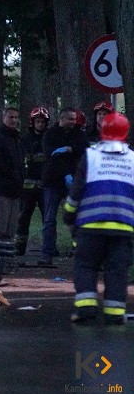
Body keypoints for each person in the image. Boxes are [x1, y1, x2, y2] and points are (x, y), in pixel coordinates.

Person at [63, 112, 133, 325]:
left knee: (85, 266)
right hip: (123, 227)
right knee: (117, 270)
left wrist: (68, 214)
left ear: (103, 131)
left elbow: (77, 191)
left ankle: (86, 310)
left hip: (90, 225)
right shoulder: (132, 159)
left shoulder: (91, 156)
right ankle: (114, 313)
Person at [39, 107, 89, 265]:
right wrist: (65, 172)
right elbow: (51, 155)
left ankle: (79, 250)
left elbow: (84, 150)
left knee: (76, 216)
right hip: (53, 181)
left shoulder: (78, 134)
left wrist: (69, 149)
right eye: (71, 119)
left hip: (72, 182)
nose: (74, 122)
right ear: (62, 119)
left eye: (75, 119)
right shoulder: (51, 134)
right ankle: (47, 253)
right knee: (49, 218)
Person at [15, 107, 49, 255]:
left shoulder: (49, 138)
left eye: (42, 122)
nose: (40, 124)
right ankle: (19, 248)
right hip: (27, 187)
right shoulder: (25, 139)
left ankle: (48, 248)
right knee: (23, 218)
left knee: (47, 219)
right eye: (38, 121)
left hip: (44, 186)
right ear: (32, 122)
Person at [0, 107, 24, 237]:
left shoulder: (17, 137)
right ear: (4, 118)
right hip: (0, 188)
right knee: (0, 225)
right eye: (11, 117)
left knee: (12, 226)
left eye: (16, 117)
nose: (14, 120)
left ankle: (7, 253)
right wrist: (12, 174)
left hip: (15, 189)